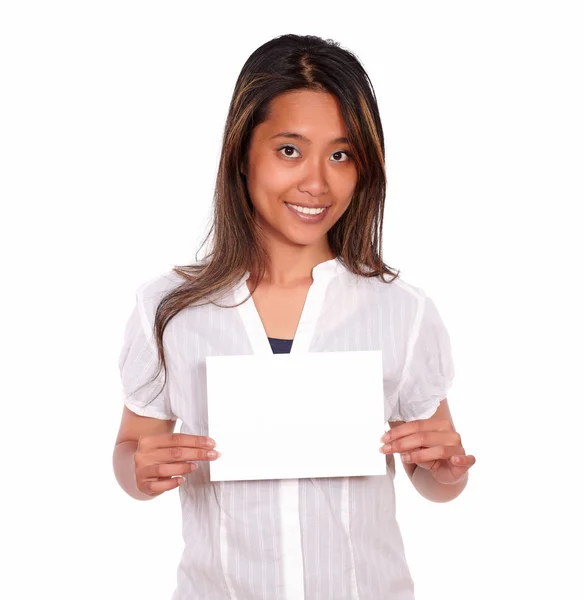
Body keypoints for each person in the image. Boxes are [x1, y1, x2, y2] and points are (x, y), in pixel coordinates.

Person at [112, 33, 476, 600]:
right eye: (289, 150)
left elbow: (432, 474)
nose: (316, 182)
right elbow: (131, 449)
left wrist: (446, 469)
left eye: (341, 154)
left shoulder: (401, 311)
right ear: (242, 152)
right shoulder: (168, 309)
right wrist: (140, 471)